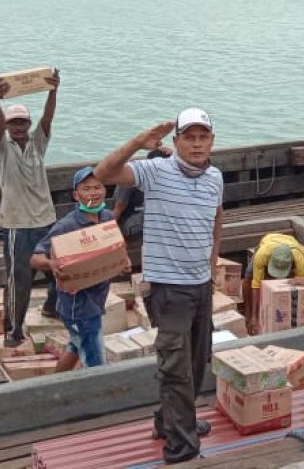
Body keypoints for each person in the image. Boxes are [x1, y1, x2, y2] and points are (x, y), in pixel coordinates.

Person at [94, 108, 223, 465]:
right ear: (176, 141)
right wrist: (139, 142)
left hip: (200, 286)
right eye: (189, 137)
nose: (197, 144)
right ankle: (182, 447)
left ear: (212, 141)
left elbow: (217, 218)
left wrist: (212, 265)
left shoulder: (215, 177)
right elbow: (103, 174)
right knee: (175, 366)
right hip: (168, 288)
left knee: (197, 365)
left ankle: (168, 421)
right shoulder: (154, 171)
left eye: (203, 137)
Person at [31, 165, 130, 371]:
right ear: (76, 195)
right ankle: (99, 399)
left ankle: (54, 385)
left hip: (98, 296)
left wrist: (123, 261)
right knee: (95, 362)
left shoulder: (108, 217)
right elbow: (35, 257)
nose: (93, 192)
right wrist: (51, 263)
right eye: (86, 188)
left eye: (98, 187)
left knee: (75, 346)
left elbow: (116, 247)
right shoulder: (66, 226)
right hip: (78, 306)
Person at [0, 70, 60, 347]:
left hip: (47, 221)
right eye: (13, 123)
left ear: (28, 124)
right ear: (7, 126)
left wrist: (54, 91)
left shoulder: (37, 144)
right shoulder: (1, 149)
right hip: (17, 226)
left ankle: (52, 308)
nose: (18, 127)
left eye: (22, 122)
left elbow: (48, 118)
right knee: (18, 281)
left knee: (62, 271)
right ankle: (14, 330)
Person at [242, 232, 304, 335]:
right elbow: (256, 285)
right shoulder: (262, 254)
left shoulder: (299, 261)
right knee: (248, 277)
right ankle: (247, 314)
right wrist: (254, 317)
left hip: (291, 243)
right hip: (268, 240)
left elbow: (301, 289)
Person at [113, 145, 174, 242]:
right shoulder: (131, 180)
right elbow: (118, 209)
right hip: (131, 222)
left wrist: (175, 154)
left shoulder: (170, 180)